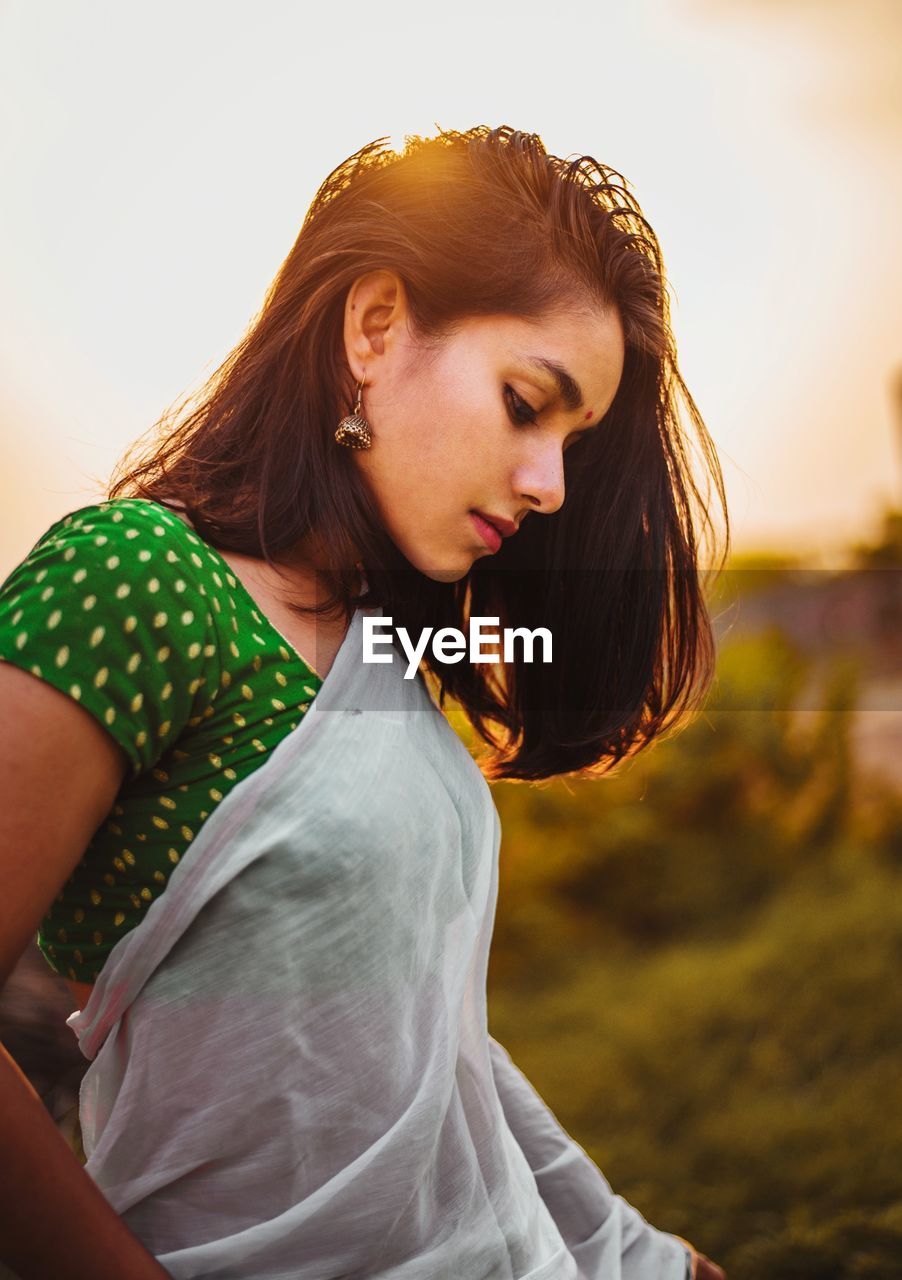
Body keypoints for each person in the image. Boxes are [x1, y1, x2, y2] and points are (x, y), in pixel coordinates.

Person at [0, 125, 728, 1279]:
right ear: (375, 324)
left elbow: (436, 1050)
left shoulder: (379, 648)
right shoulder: (138, 581)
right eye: (525, 403)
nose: (548, 485)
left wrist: (631, 1248)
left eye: (572, 443)